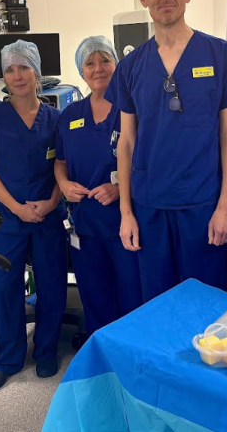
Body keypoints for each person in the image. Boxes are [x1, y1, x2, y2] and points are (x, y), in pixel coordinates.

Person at [107, 0, 227, 302]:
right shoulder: (131, 66)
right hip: (149, 208)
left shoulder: (219, 55)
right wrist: (126, 212)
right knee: (159, 306)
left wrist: (225, 206)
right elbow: (126, 142)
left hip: (203, 206)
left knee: (207, 306)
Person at [0, 40, 67, 390]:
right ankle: (7, 359)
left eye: (24, 67)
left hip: (47, 216)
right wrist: (17, 208)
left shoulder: (56, 119)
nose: (17, 75)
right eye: (10, 69)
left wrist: (52, 202)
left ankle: (46, 351)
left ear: (36, 72)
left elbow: (62, 167)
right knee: (3, 289)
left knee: (52, 285)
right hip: (8, 219)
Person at [55, 36, 143, 336]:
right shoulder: (70, 115)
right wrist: (64, 184)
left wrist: (118, 189)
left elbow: (147, 161)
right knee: (94, 294)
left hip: (125, 222)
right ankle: (100, 351)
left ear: (116, 65)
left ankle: (131, 353)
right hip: (85, 224)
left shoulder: (131, 110)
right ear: (81, 72)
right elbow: (60, 161)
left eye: (105, 60)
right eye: (90, 63)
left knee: (132, 294)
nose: (98, 68)